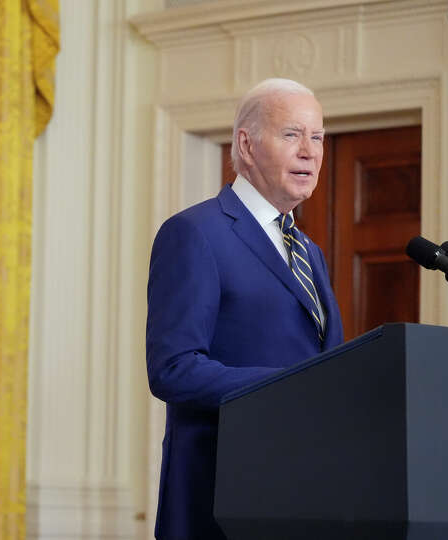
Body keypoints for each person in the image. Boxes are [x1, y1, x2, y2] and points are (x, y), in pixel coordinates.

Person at [145, 78, 345, 540]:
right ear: (247, 145)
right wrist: (292, 386)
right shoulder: (196, 233)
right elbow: (172, 369)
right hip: (223, 497)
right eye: (293, 134)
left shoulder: (309, 250)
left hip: (304, 494)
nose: (310, 152)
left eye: (317, 138)